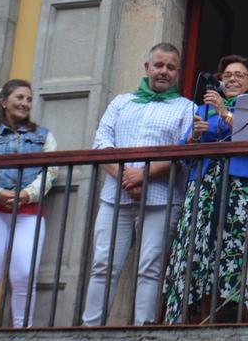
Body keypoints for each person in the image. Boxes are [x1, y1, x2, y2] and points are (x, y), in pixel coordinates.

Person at [82, 43, 195, 326]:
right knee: (102, 265)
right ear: (147, 68)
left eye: (170, 67)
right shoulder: (121, 102)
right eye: (159, 65)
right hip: (115, 197)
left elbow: (184, 152)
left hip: (161, 199)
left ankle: (143, 330)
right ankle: (90, 329)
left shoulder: (187, 108)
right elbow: (101, 144)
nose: (163, 72)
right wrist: (126, 177)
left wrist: (143, 174)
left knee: (151, 268)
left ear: (177, 73)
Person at [163, 54, 248, 323]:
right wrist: (195, 136)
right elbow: (182, 156)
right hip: (205, 188)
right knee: (203, 255)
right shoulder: (202, 111)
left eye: (239, 75)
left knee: (244, 253)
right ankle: (203, 323)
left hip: (247, 189)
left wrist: (225, 111)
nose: (232, 79)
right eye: (227, 75)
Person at [0, 79, 57, 328]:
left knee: (25, 273)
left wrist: (29, 194)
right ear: (4, 102)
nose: (25, 103)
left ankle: (22, 330)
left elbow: (51, 171)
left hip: (28, 210)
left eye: (28, 99)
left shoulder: (44, 137)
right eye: (19, 97)